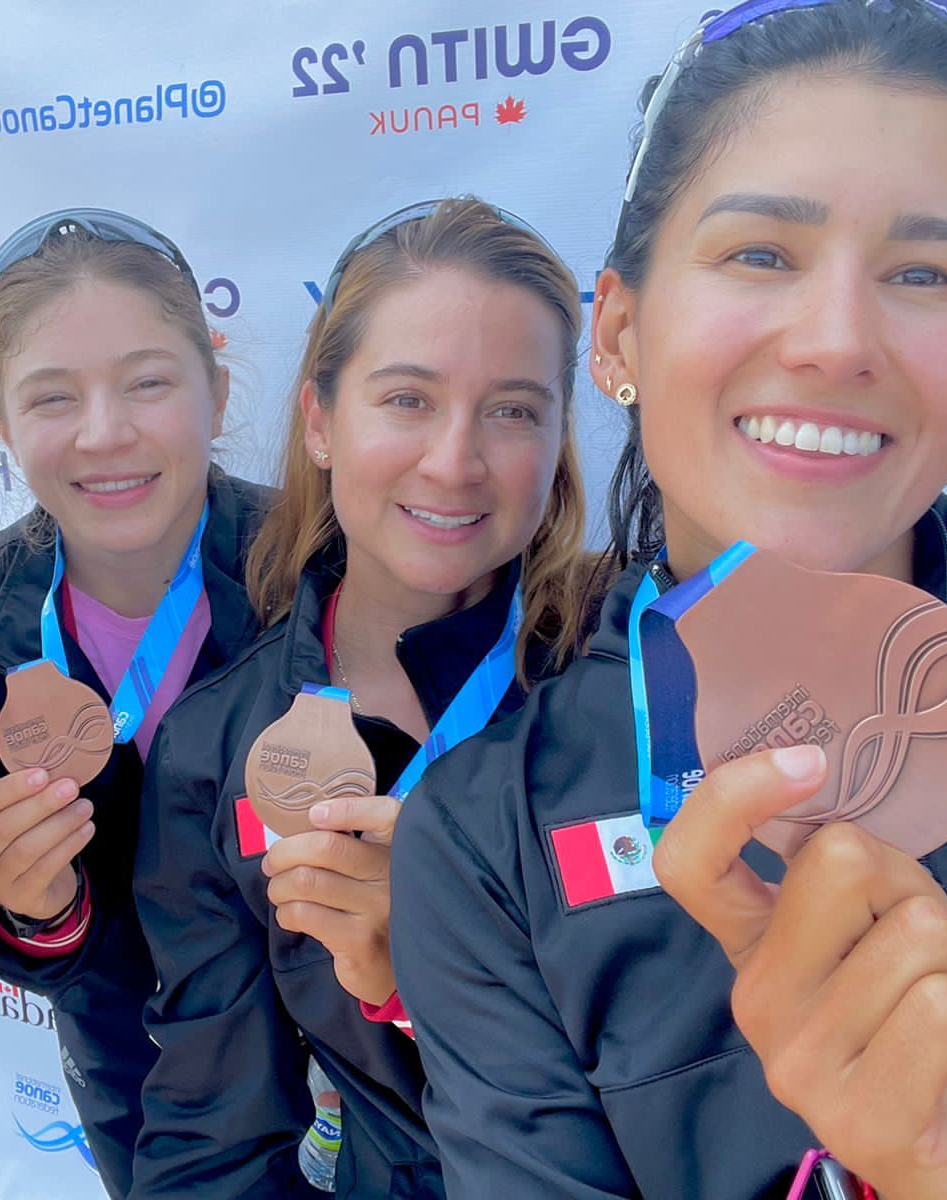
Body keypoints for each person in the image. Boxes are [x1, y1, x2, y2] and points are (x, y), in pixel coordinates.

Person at [389, 3, 947, 1198]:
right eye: (761, 255)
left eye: (922, 273)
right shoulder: (486, 843)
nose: (836, 341)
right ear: (618, 334)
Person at [130, 198, 603, 1197]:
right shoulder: (218, 746)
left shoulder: (633, 681)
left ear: (559, 436)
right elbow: (215, 1131)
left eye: (513, 410)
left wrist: (434, 970)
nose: (455, 461)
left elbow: (703, 1072)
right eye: (407, 399)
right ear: (320, 422)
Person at [0, 208, 272, 1198]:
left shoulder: (321, 570)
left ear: (216, 392)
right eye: (53, 397)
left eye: (147, 383)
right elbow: (13, 937)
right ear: (3, 426)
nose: (104, 433)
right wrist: (36, 907)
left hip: (341, 1054)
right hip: (137, 1077)